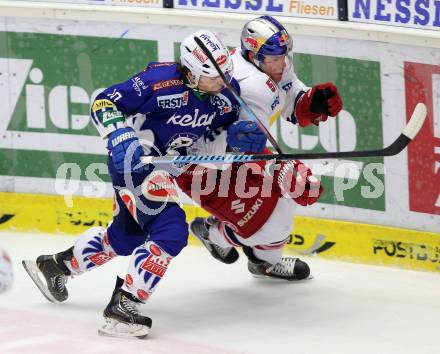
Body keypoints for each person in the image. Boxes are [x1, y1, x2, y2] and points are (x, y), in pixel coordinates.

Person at [22, 30, 267, 339]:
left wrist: (237, 140)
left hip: (166, 169)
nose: (222, 82)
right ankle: (122, 307)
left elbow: (209, 142)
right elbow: (103, 102)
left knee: (125, 238)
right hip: (134, 162)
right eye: (212, 76)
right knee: (171, 229)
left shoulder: (224, 96)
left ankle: (56, 267)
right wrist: (119, 136)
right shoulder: (160, 81)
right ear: (191, 71)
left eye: (225, 74)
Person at [175, 16, 343, 280]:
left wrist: (311, 102)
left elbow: (289, 100)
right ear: (252, 55)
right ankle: (212, 233)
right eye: (272, 59)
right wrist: (281, 168)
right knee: (269, 225)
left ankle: (264, 261)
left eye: (283, 56)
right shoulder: (249, 83)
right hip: (204, 168)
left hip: (237, 157)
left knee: (285, 203)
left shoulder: (273, 64)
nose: (280, 63)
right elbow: (241, 146)